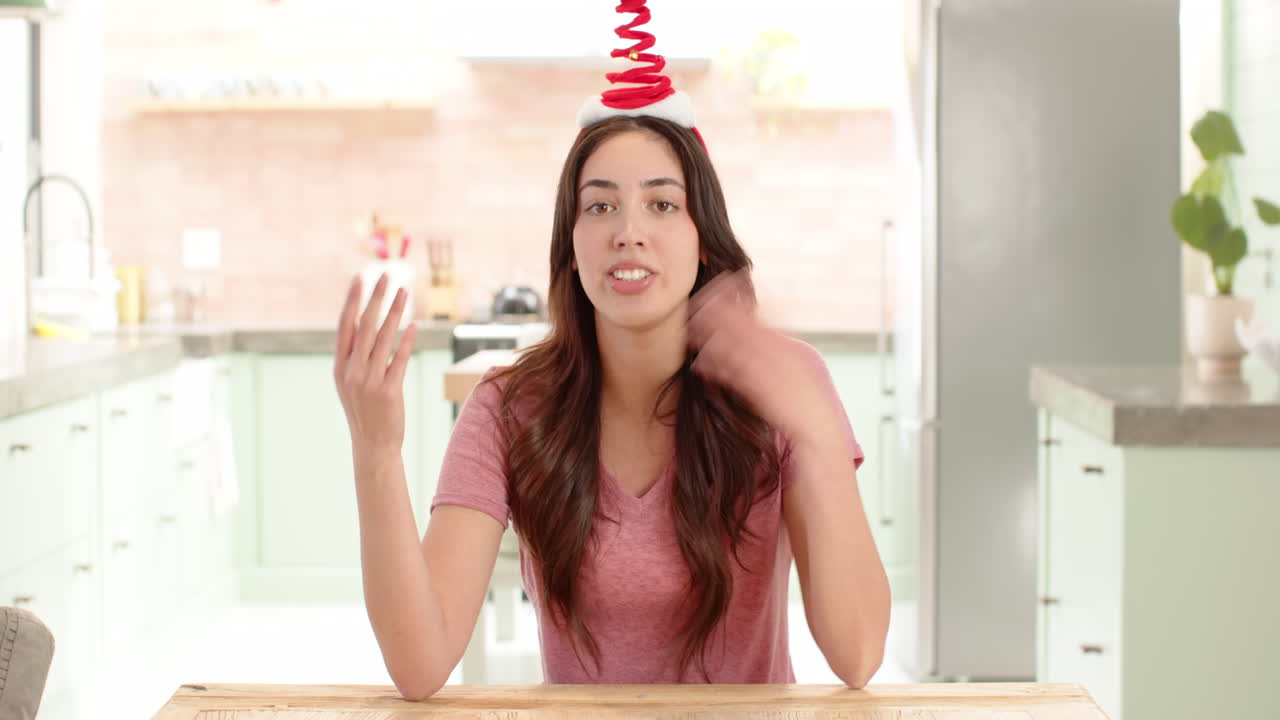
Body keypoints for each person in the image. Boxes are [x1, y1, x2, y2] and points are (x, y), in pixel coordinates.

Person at [332, 1, 889, 700]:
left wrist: (815, 435)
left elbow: (860, 653)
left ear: (703, 238)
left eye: (662, 204)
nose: (628, 231)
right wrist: (376, 452)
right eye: (600, 206)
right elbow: (420, 665)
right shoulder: (508, 410)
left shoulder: (785, 384)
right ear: (572, 240)